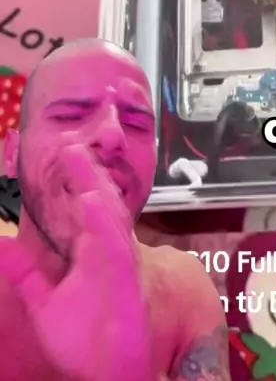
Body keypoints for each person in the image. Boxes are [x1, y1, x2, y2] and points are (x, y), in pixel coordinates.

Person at [0, 38, 230, 381]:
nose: (112, 134)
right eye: (69, 114)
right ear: (12, 154)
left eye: (136, 123)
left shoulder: (184, 290)